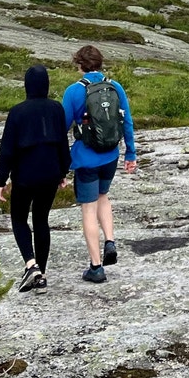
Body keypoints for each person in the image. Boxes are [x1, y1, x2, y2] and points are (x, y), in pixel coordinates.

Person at [60, 45, 137, 283]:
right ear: (100, 63)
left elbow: (61, 128)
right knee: (104, 196)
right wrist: (130, 155)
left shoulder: (73, 91)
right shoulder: (116, 87)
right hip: (111, 155)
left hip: (86, 158)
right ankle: (110, 241)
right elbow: (127, 122)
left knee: (88, 209)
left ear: (80, 64)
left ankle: (96, 267)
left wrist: (60, 164)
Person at [0, 63, 71, 292]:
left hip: (24, 177)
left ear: (26, 85)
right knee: (41, 220)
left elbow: (7, 149)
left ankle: (31, 264)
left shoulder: (18, 112)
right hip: (50, 175)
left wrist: (2, 179)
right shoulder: (57, 109)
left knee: (19, 219)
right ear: (46, 85)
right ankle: (42, 274)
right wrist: (63, 172)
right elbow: (62, 144)